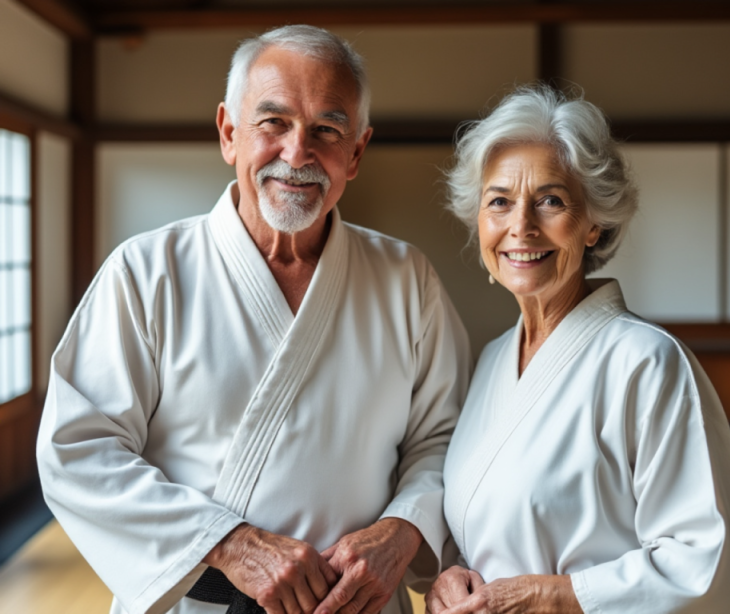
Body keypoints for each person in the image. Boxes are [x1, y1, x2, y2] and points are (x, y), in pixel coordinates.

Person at [37, 25, 471, 614]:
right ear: (228, 133)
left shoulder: (405, 278)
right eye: (273, 123)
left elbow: (443, 439)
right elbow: (79, 448)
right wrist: (228, 543)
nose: (297, 154)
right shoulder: (146, 272)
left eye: (327, 130)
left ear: (356, 153)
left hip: (358, 602)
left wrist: (404, 526)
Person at [425, 85, 730, 614]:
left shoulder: (646, 362)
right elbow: (479, 524)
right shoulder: (490, 362)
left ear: (593, 223)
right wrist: (449, 576)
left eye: (551, 200)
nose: (521, 226)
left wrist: (550, 597)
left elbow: (706, 563)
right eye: (499, 202)